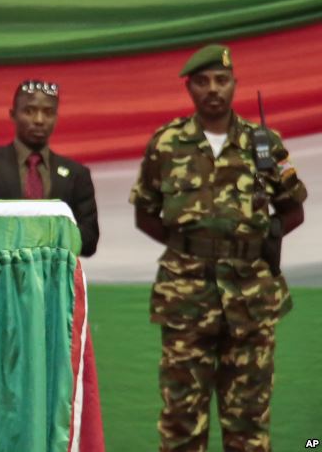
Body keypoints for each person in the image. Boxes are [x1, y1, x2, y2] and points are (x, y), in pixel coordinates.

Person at [130, 43, 306, 451]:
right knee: (180, 420)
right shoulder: (167, 143)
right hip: (185, 298)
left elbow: (294, 209)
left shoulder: (264, 143)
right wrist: (192, 247)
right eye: (203, 82)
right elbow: (145, 213)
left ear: (235, 85)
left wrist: (261, 240)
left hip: (251, 298)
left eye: (222, 80)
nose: (213, 89)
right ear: (190, 88)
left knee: (248, 420)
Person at [0, 80, 99, 257]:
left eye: (48, 112)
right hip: (0, 275)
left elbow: (89, 242)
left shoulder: (77, 174)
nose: (39, 120)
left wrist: (48, 234)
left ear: (56, 117)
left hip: (55, 279)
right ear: (12, 114)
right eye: (29, 111)